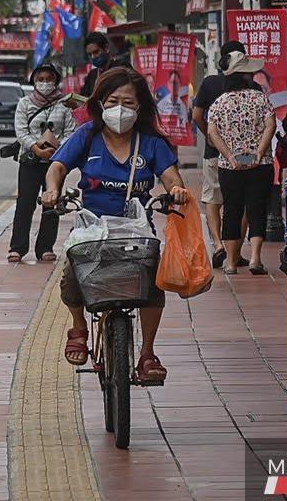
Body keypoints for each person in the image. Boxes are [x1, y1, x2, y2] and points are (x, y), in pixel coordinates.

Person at [42, 67, 189, 384]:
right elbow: (57, 166)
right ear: (100, 103)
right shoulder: (86, 136)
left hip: (136, 231)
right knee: (71, 273)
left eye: (128, 102)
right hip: (91, 229)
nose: (119, 109)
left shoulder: (150, 144)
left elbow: (171, 177)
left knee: (153, 281)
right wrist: (52, 190)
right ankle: (78, 327)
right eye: (112, 101)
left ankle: (148, 353)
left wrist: (176, 191)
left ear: (139, 108)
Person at [206, 52, 276, 275]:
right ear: (245, 74)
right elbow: (270, 125)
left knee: (232, 210)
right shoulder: (260, 98)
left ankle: (230, 263)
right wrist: (258, 153)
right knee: (256, 208)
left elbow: (212, 132)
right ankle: (255, 258)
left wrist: (229, 156)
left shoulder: (219, 102)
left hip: (230, 166)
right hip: (260, 163)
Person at [9, 63, 77, 264]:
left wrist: (57, 151)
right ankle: (17, 248)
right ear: (34, 81)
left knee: (52, 202)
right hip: (30, 161)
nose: (45, 83)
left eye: (49, 79)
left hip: (55, 163)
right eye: (41, 79)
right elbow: (21, 131)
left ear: (56, 81)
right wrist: (36, 149)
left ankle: (46, 247)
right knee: (25, 204)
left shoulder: (64, 105)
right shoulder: (24, 103)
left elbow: (70, 132)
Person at [191, 40, 248, 269]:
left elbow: (197, 115)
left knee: (213, 199)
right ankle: (236, 253)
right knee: (241, 202)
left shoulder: (209, 83)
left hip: (214, 153)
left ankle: (217, 246)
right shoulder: (250, 85)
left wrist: (211, 137)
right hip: (244, 156)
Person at [81, 31, 130, 97]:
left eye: (96, 52)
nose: (93, 57)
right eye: (90, 54)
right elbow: (84, 97)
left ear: (106, 48)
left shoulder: (121, 68)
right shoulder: (92, 75)